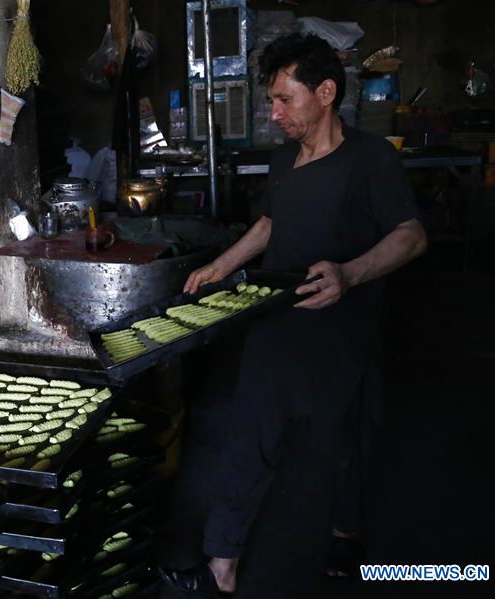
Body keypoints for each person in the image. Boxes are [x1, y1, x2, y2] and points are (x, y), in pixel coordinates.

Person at [160, 33, 428, 596]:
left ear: (326, 92)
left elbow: (412, 234)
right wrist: (221, 265)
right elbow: (270, 225)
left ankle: (343, 530)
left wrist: (350, 274)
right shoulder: (283, 160)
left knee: (344, 441)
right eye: (272, 101)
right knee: (250, 434)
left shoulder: (370, 159)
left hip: (344, 331)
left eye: (284, 99)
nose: (274, 113)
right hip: (276, 321)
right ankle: (222, 563)